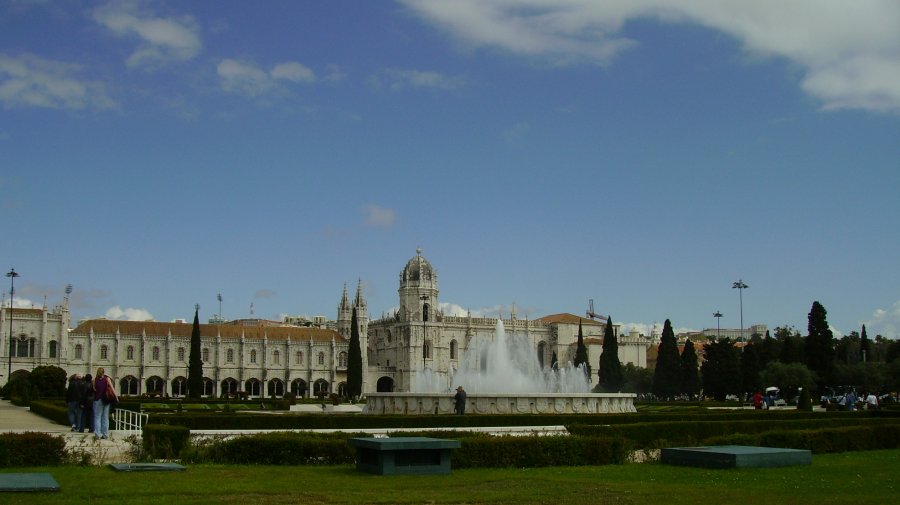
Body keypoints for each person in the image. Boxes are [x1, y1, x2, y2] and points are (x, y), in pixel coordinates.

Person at [92, 367, 117, 439]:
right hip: (106, 400)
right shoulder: (107, 379)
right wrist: (116, 397)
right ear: (104, 372)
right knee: (105, 417)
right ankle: (105, 434)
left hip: (98, 400)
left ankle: (97, 434)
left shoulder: (94, 380)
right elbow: (112, 388)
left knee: (97, 417)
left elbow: (94, 389)